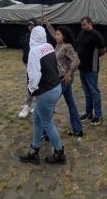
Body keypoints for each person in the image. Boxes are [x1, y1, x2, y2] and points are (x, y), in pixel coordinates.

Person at [19, 26, 65, 165]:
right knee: (37, 118)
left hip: (45, 91)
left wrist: (32, 90)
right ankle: (34, 149)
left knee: (48, 124)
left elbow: (33, 75)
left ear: (32, 36)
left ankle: (59, 153)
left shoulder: (34, 52)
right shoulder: (49, 46)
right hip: (56, 87)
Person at [44, 21, 83, 137]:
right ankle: (77, 129)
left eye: (58, 35)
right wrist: (47, 25)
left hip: (63, 80)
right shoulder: (58, 44)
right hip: (60, 78)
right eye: (56, 34)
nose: (56, 36)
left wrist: (69, 73)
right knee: (70, 103)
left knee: (49, 104)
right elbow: (53, 34)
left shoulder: (67, 46)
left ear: (64, 36)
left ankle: (46, 132)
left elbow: (77, 61)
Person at [76, 17, 106, 125]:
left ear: (90, 23)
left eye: (84, 24)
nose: (82, 27)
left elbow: (103, 50)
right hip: (81, 67)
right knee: (87, 92)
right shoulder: (81, 33)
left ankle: (98, 115)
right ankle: (89, 114)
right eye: (81, 25)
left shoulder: (96, 35)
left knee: (94, 92)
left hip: (91, 69)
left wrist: (93, 58)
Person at [18, 19, 37, 118]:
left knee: (35, 83)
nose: (30, 27)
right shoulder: (26, 35)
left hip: (36, 64)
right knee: (30, 83)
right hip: (28, 63)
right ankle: (28, 105)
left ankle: (33, 104)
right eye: (29, 25)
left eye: (32, 25)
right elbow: (24, 48)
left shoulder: (38, 37)